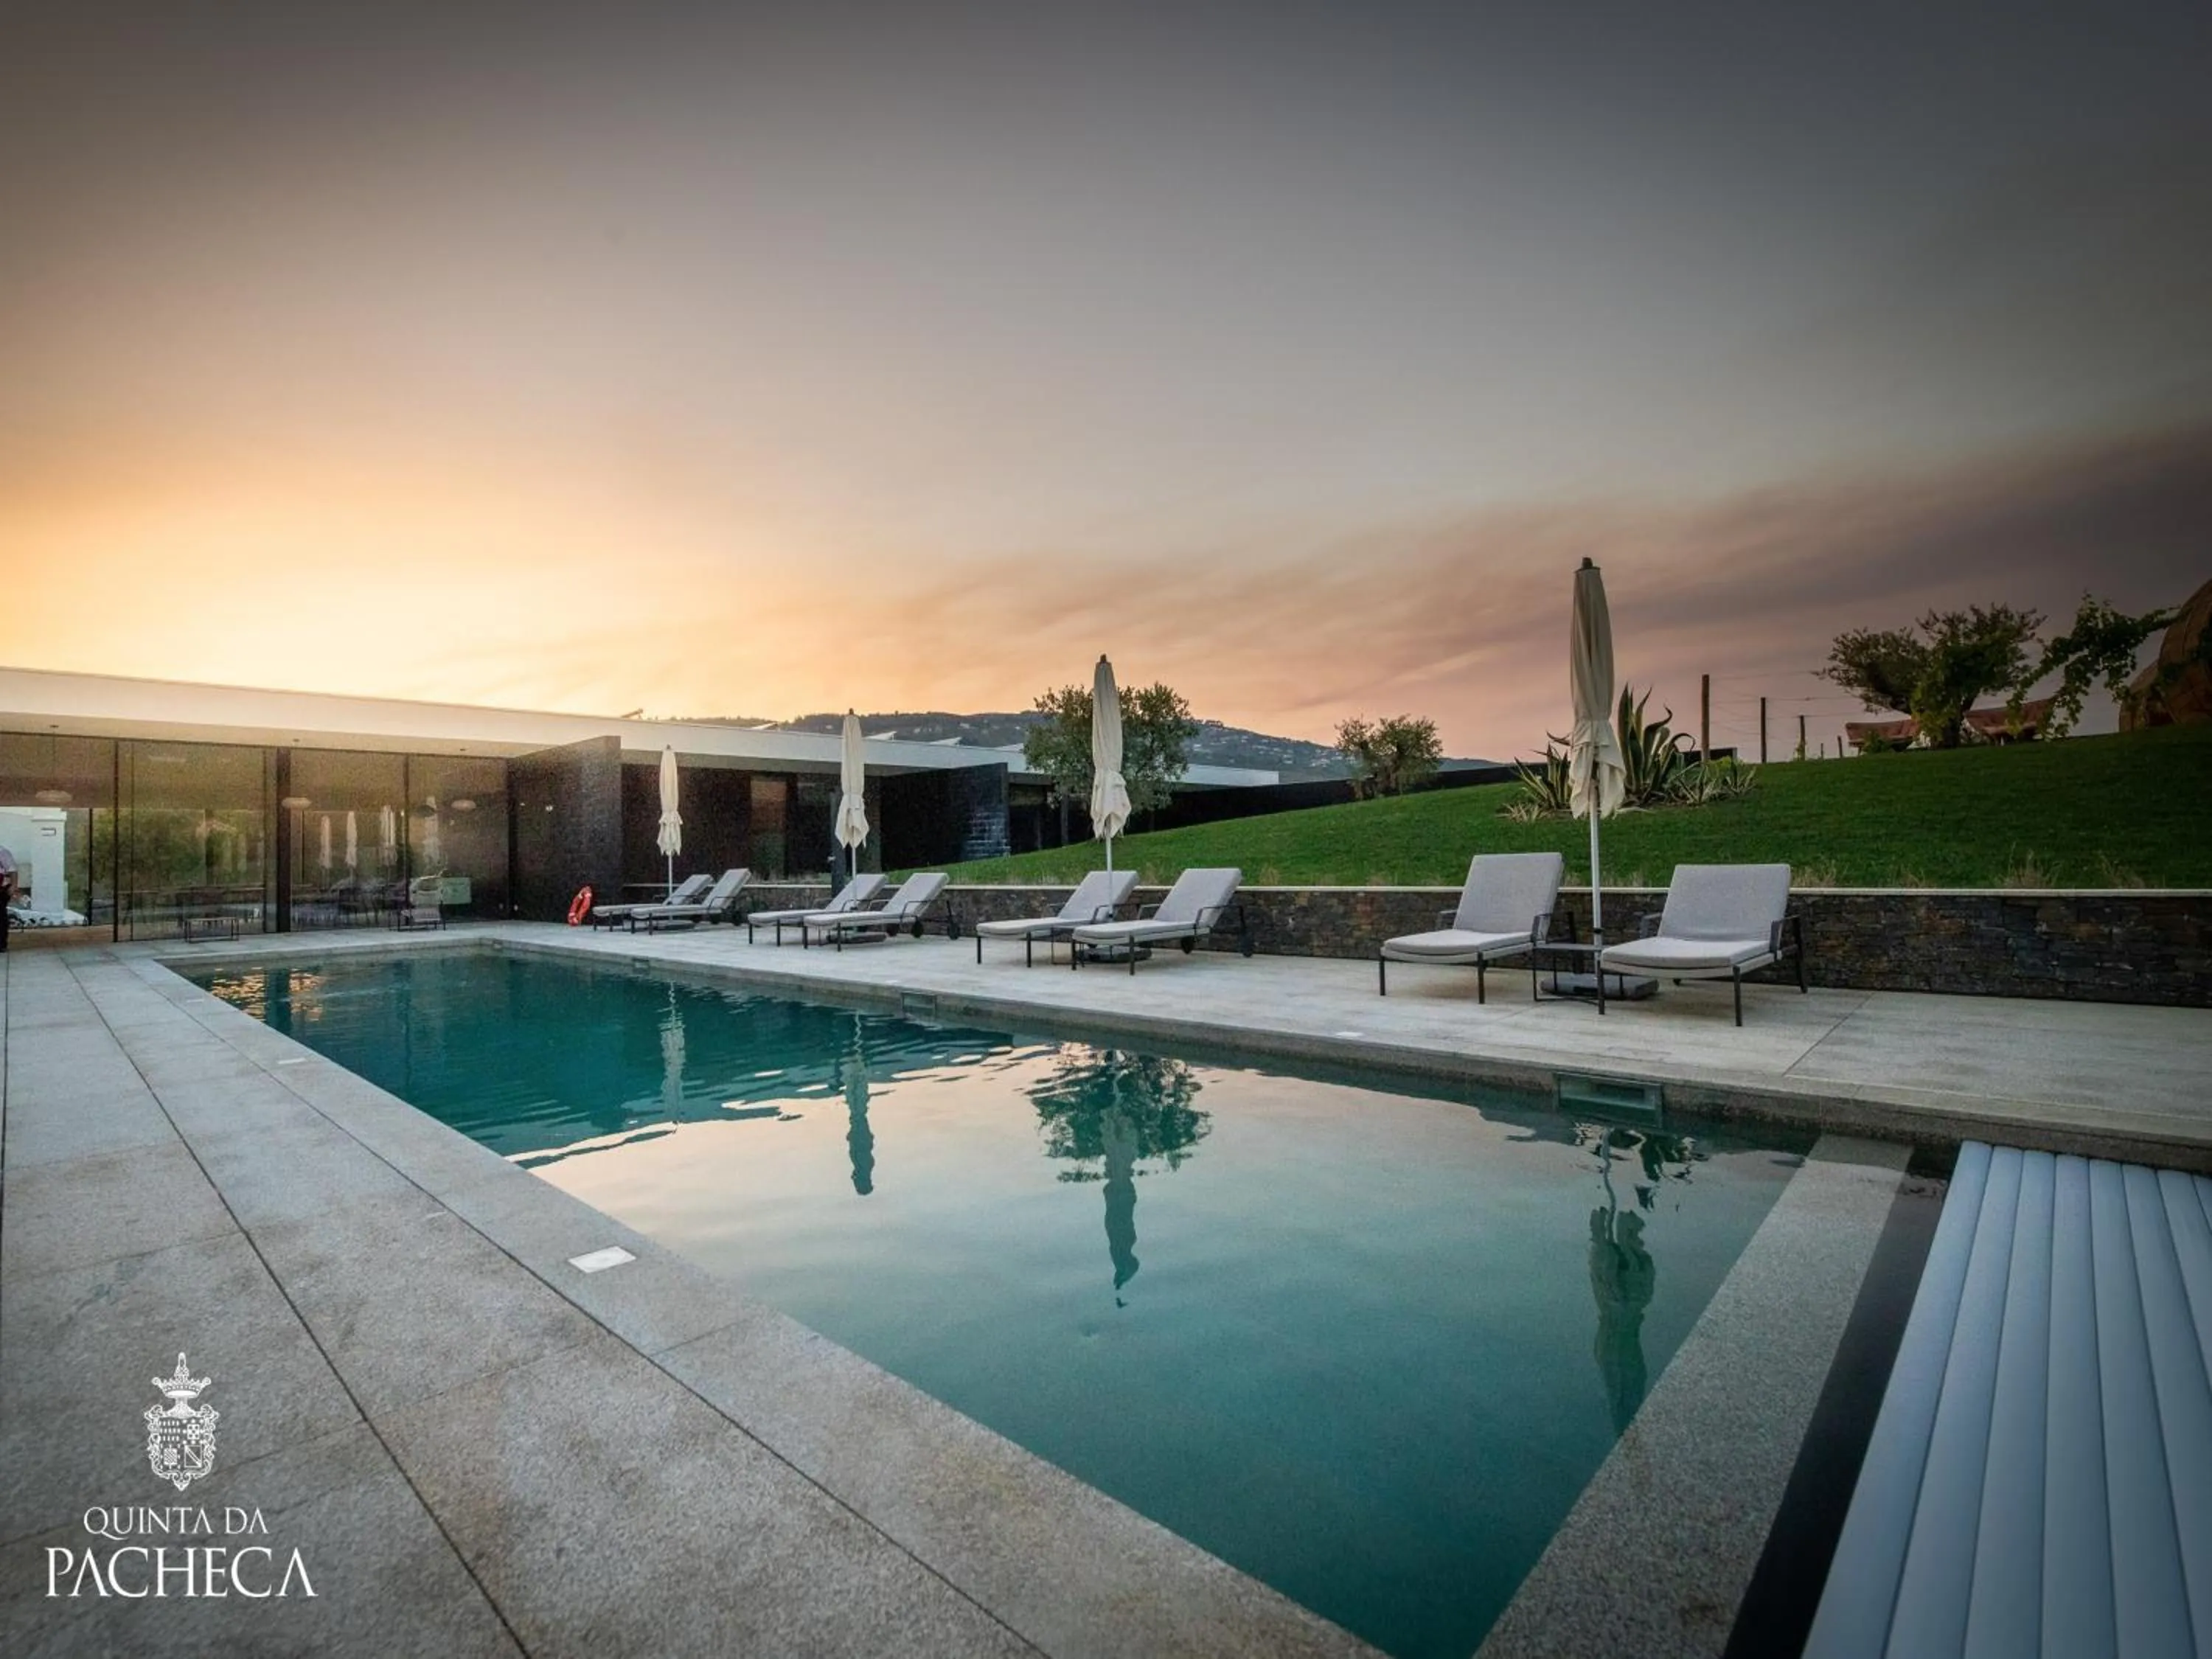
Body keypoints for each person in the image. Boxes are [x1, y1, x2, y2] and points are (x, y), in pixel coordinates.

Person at [0, 842, 15, 953]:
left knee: (0, 917)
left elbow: (13, 870)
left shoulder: (3, 852)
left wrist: (14, 886)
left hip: (1, 889)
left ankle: (1, 944)